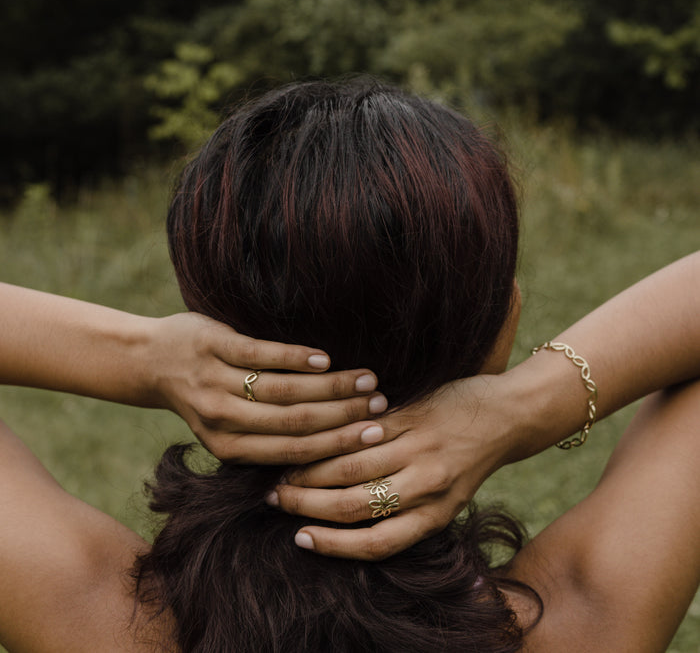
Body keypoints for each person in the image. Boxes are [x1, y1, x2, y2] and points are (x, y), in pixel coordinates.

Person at [0, 78, 698, 652]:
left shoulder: (92, 618)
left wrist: (142, 358)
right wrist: (532, 404)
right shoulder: (587, 618)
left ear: (209, 333)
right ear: (503, 325)